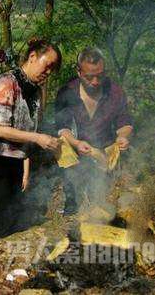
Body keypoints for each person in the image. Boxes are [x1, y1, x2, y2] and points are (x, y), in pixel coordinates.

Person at [0, 38, 62, 240]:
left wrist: (26, 169)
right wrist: (38, 138)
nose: (48, 72)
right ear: (32, 57)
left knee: (14, 214)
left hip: (14, 160)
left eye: (52, 69)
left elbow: (30, 132)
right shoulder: (6, 83)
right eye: (47, 66)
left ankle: (9, 258)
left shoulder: (36, 91)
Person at [54, 46, 133, 219]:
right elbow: (62, 128)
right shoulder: (66, 92)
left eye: (100, 75)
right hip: (75, 148)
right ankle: (71, 209)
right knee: (65, 152)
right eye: (90, 77)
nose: (96, 82)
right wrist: (76, 143)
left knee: (101, 199)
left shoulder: (115, 92)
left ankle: (100, 208)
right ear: (79, 72)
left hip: (103, 151)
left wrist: (122, 137)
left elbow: (125, 122)